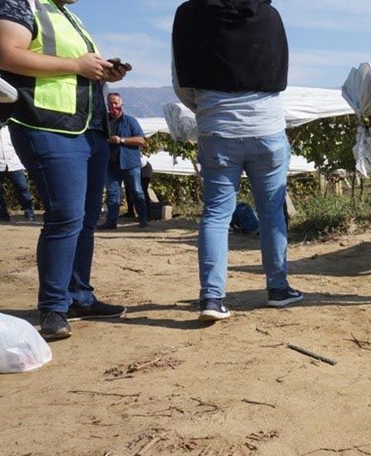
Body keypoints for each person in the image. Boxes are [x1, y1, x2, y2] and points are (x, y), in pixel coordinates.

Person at [0, 0, 130, 340]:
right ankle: (53, 307)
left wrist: (103, 71)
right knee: (65, 214)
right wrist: (76, 65)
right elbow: (7, 54)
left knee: (84, 216)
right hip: (47, 124)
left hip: (89, 130)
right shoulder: (19, 3)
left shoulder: (68, 16)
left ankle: (79, 296)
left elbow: (77, 68)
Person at [172, 0, 303, 321]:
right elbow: (280, 67)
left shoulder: (188, 13)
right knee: (271, 212)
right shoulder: (269, 14)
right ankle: (278, 288)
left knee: (216, 214)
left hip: (216, 128)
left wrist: (209, 109)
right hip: (267, 127)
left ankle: (212, 299)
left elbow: (181, 83)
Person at [99, 92, 148, 229]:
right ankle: (111, 222)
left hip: (130, 163)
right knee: (113, 193)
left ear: (121, 104)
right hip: (111, 164)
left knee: (136, 191)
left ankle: (143, 219)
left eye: (115, 103)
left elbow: (141, 140)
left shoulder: (130, 121)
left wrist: (122, 140)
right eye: (110, 103)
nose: (113, 106)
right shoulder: (104, 122)